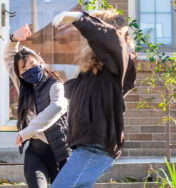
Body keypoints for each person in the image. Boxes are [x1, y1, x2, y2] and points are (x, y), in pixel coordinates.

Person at [50, 9, 137, 188]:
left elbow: (112, 39)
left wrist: (81, 19)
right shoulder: (90, 73)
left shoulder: (120, 63)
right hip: (86, 146)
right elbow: (66, 92)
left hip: (96, 147)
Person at [4, 24, 72, 188]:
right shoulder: (24, 88)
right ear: (19, 75)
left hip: (62, 152)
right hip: (37, 153)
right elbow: (8, 58)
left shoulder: (55, 85)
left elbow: (58, 106)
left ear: (41, 63)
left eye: (33, 64)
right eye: (24, 68)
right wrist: (14, 39)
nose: (29, 69)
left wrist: (28, 130)